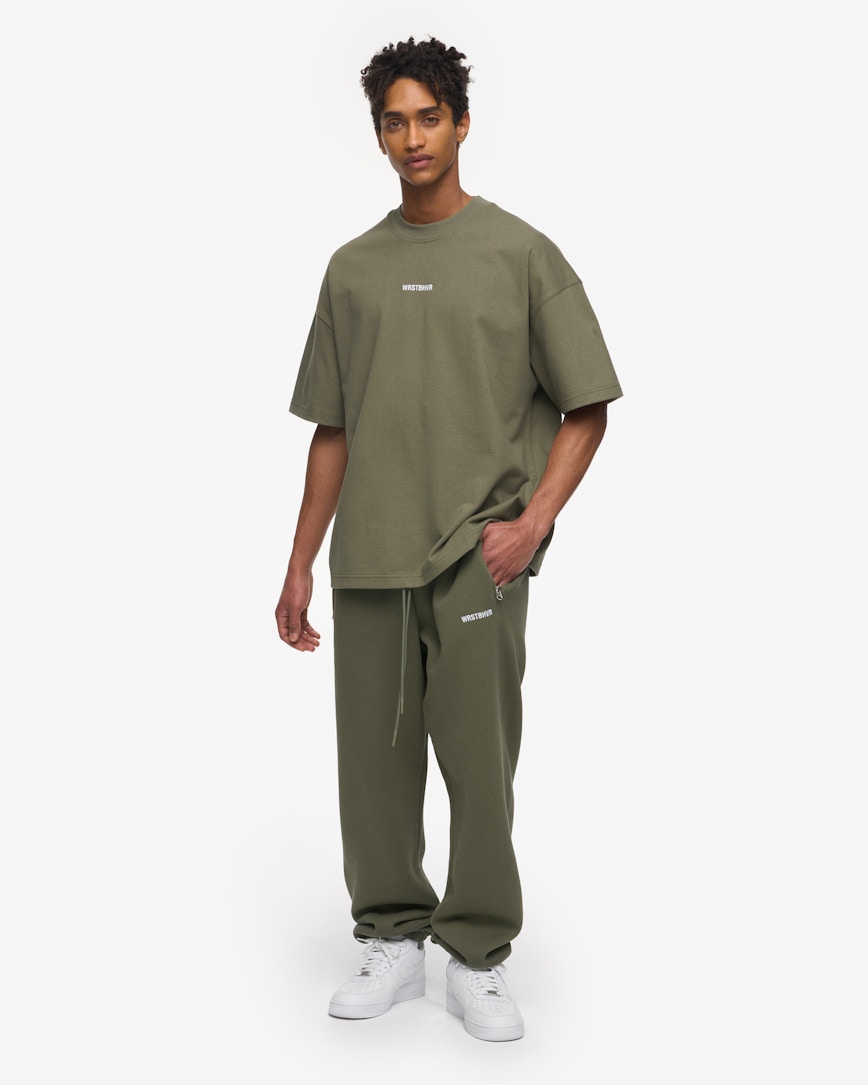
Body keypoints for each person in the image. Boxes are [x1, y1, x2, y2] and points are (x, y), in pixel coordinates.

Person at [275, 36, 622, 1042]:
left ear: (462, 123)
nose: (413, 137)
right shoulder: (352, 269)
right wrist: (299, 559)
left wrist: (533, 521)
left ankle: (476, 951)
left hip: (479, 556)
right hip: (371, 557)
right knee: (372, 769)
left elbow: (587, 404)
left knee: (479, 764)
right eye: (394, 121)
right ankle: (390, 933)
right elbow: (332, 427)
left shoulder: (520, 254)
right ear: (378, 134)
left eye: (429, 117)